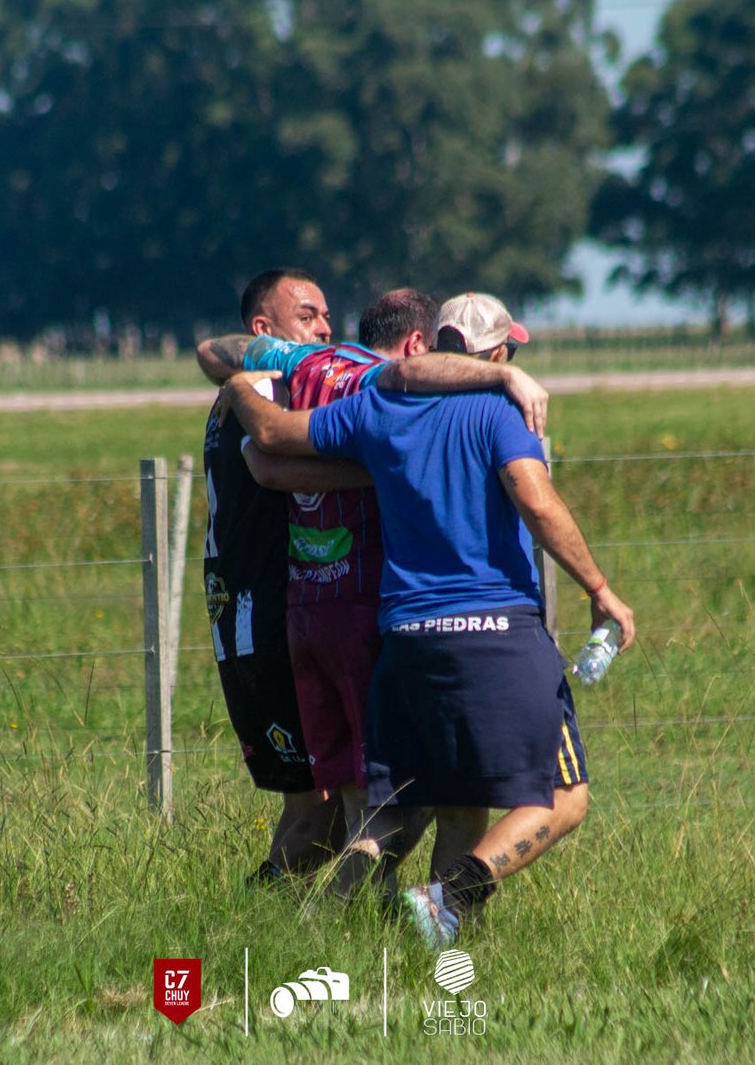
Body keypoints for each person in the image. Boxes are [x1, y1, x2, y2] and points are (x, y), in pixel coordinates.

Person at [221, 291, 636, 948]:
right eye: (509, 351)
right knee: (565, 796)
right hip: (495, 633)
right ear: (495, 356)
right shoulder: (499, 409)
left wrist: (242, 387)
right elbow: (537, 501)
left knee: (454, 805)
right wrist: (600, 588)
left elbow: (268, 451)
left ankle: (386, 944)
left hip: (406, 643)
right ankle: (451, 893)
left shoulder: (379, 408)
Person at [199, 290, 550, 897]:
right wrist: (402, 466)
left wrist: (238, 385)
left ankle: (336, 912)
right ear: (416, 345)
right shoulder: (382, 389)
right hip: (375, 609)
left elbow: (221, 365)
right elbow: (408, 383)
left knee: (349, 796)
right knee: (414, 796)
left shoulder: (308, 363)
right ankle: (390, 911)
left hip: (306, 610)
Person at [200, 268, 343, 884]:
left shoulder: (236, 391)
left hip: (241, 618)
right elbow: (274, 469)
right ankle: (256, 908)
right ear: (264, 329)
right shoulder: (266, 389)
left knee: (307, 799)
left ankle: (266, 916)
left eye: (326, 315)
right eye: (307, 316)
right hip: (269, 617)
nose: (325, 328)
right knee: (334, 811)